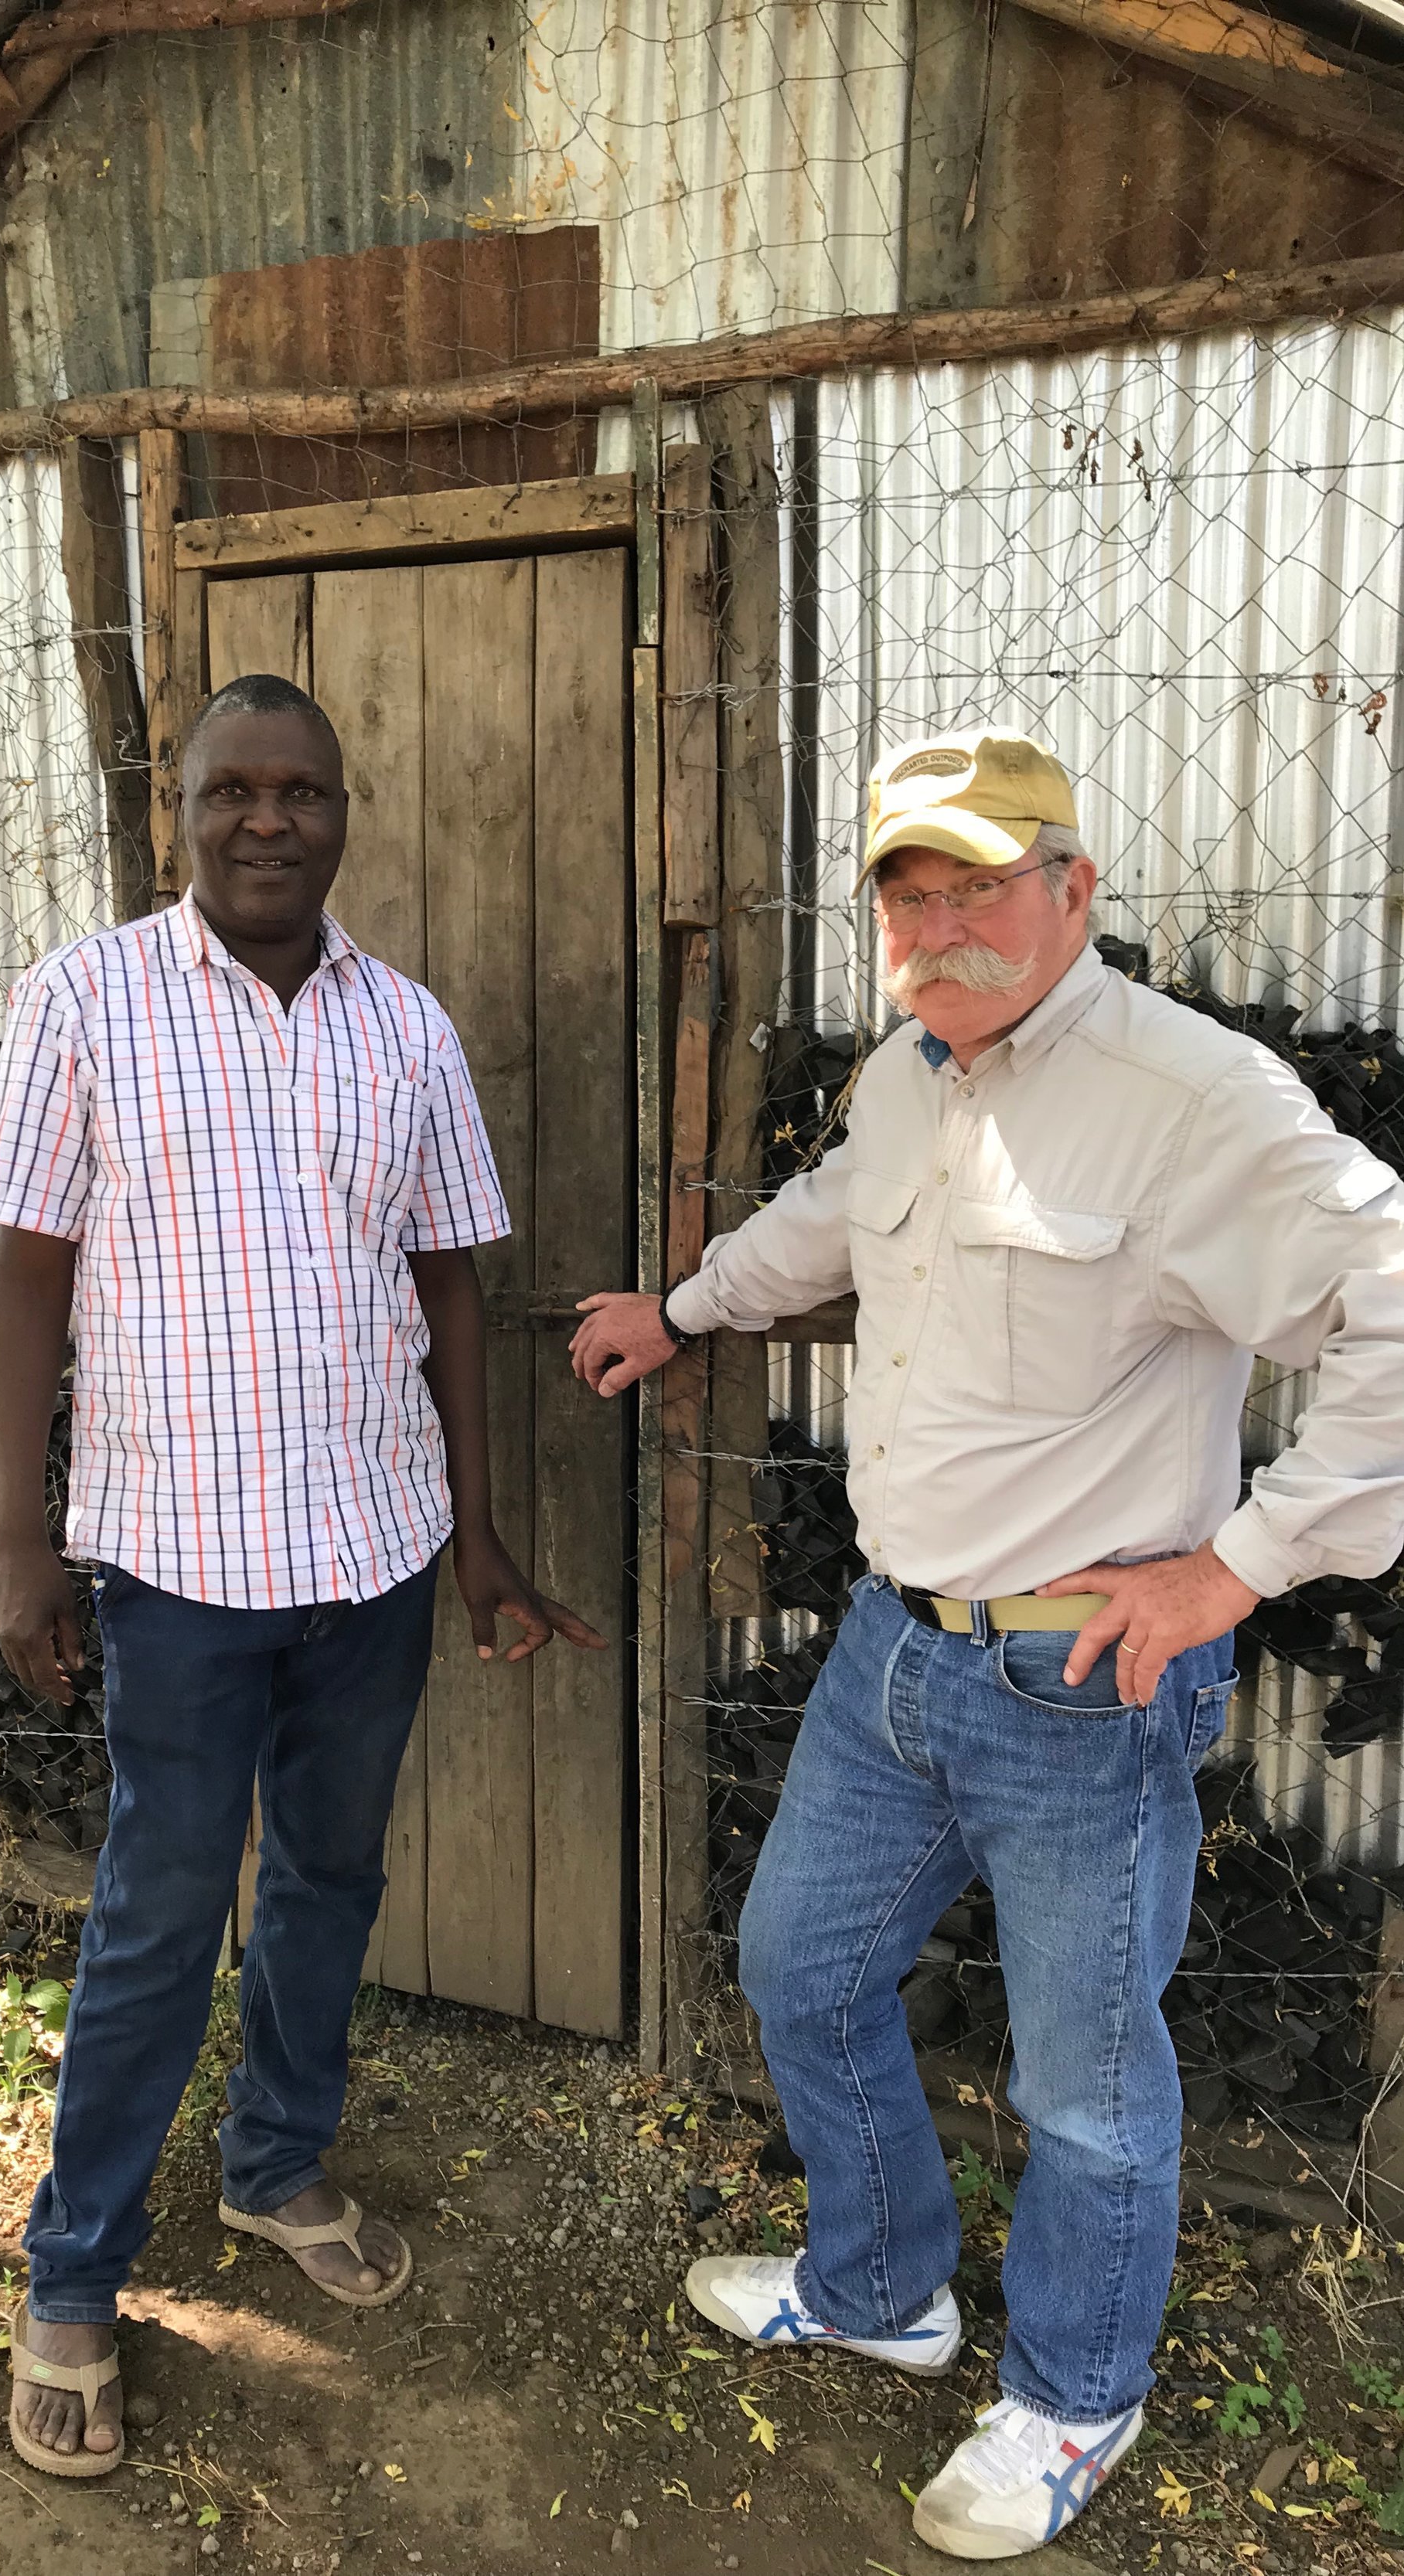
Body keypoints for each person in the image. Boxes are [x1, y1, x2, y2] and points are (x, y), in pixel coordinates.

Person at [569, 728, 1404, 2560]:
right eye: (906, 892)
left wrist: (1238, 1565)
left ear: (1073, 890)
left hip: (1079, 1685)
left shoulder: (1190, 1098)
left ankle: (1072, 2396)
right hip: (896, 1651)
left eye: (978, 884)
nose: (939, 924)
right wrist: (681, 1307)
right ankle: (881, 2288)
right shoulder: (904, 1075)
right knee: (797, 1966)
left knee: (1082, 2083)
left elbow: (1390, 1302)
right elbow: (822, 1229)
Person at [0, 671, 603, 2478]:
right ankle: (74, 2273)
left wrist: (473, 1539)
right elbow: (24, 1274)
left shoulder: (403, 1027)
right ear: (177, 806)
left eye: (302, 792)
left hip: (367, 1549)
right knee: (161, 1906)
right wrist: (26, 1538)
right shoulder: (85, 999)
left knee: (327, 1869)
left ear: (344, 812)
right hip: (169, 1559)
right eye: (231, 790)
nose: (268, 821)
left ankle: (273, 2166)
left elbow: (450, 1287)